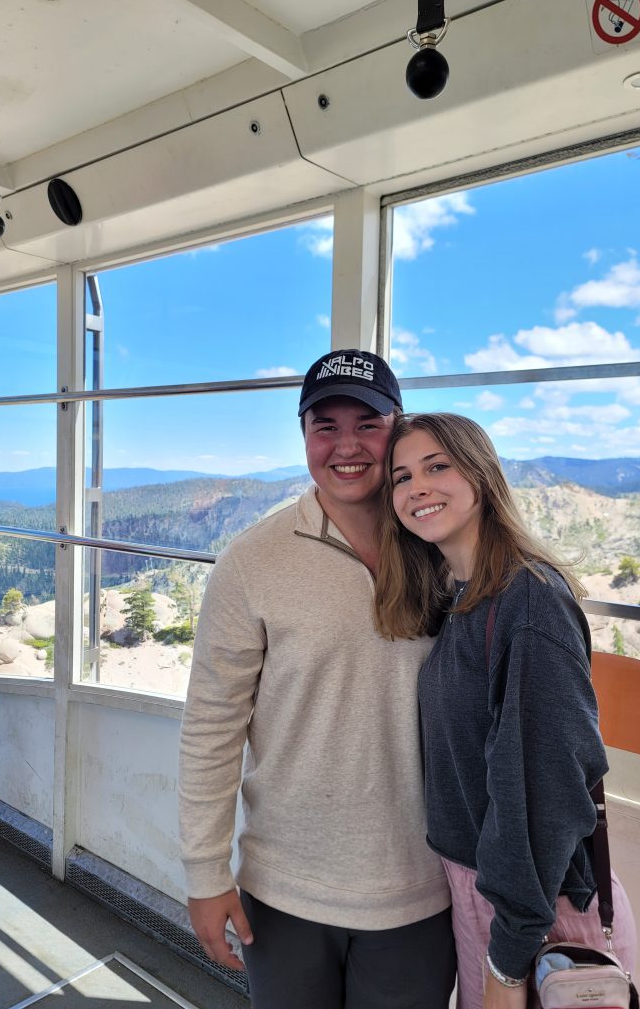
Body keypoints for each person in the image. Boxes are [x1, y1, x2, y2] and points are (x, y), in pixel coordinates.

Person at [178, 351, 456, 1009]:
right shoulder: (253, 561)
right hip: (285, 892)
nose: (347, 445)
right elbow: (212, 727)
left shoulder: (442, 547)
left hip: (421, 887)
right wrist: (205, 874)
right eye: (324, 425)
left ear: (400, 428)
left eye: (369, 423)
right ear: (303, 435)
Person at [374, 413, 637, 1009]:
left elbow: (544, 791)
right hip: (490, 895)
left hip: (539, 916)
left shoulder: (529, 602)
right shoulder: (463, 595)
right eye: (402, 476)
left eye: (438, 466)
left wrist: (508, 963)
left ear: (481, 474)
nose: (417, 487)